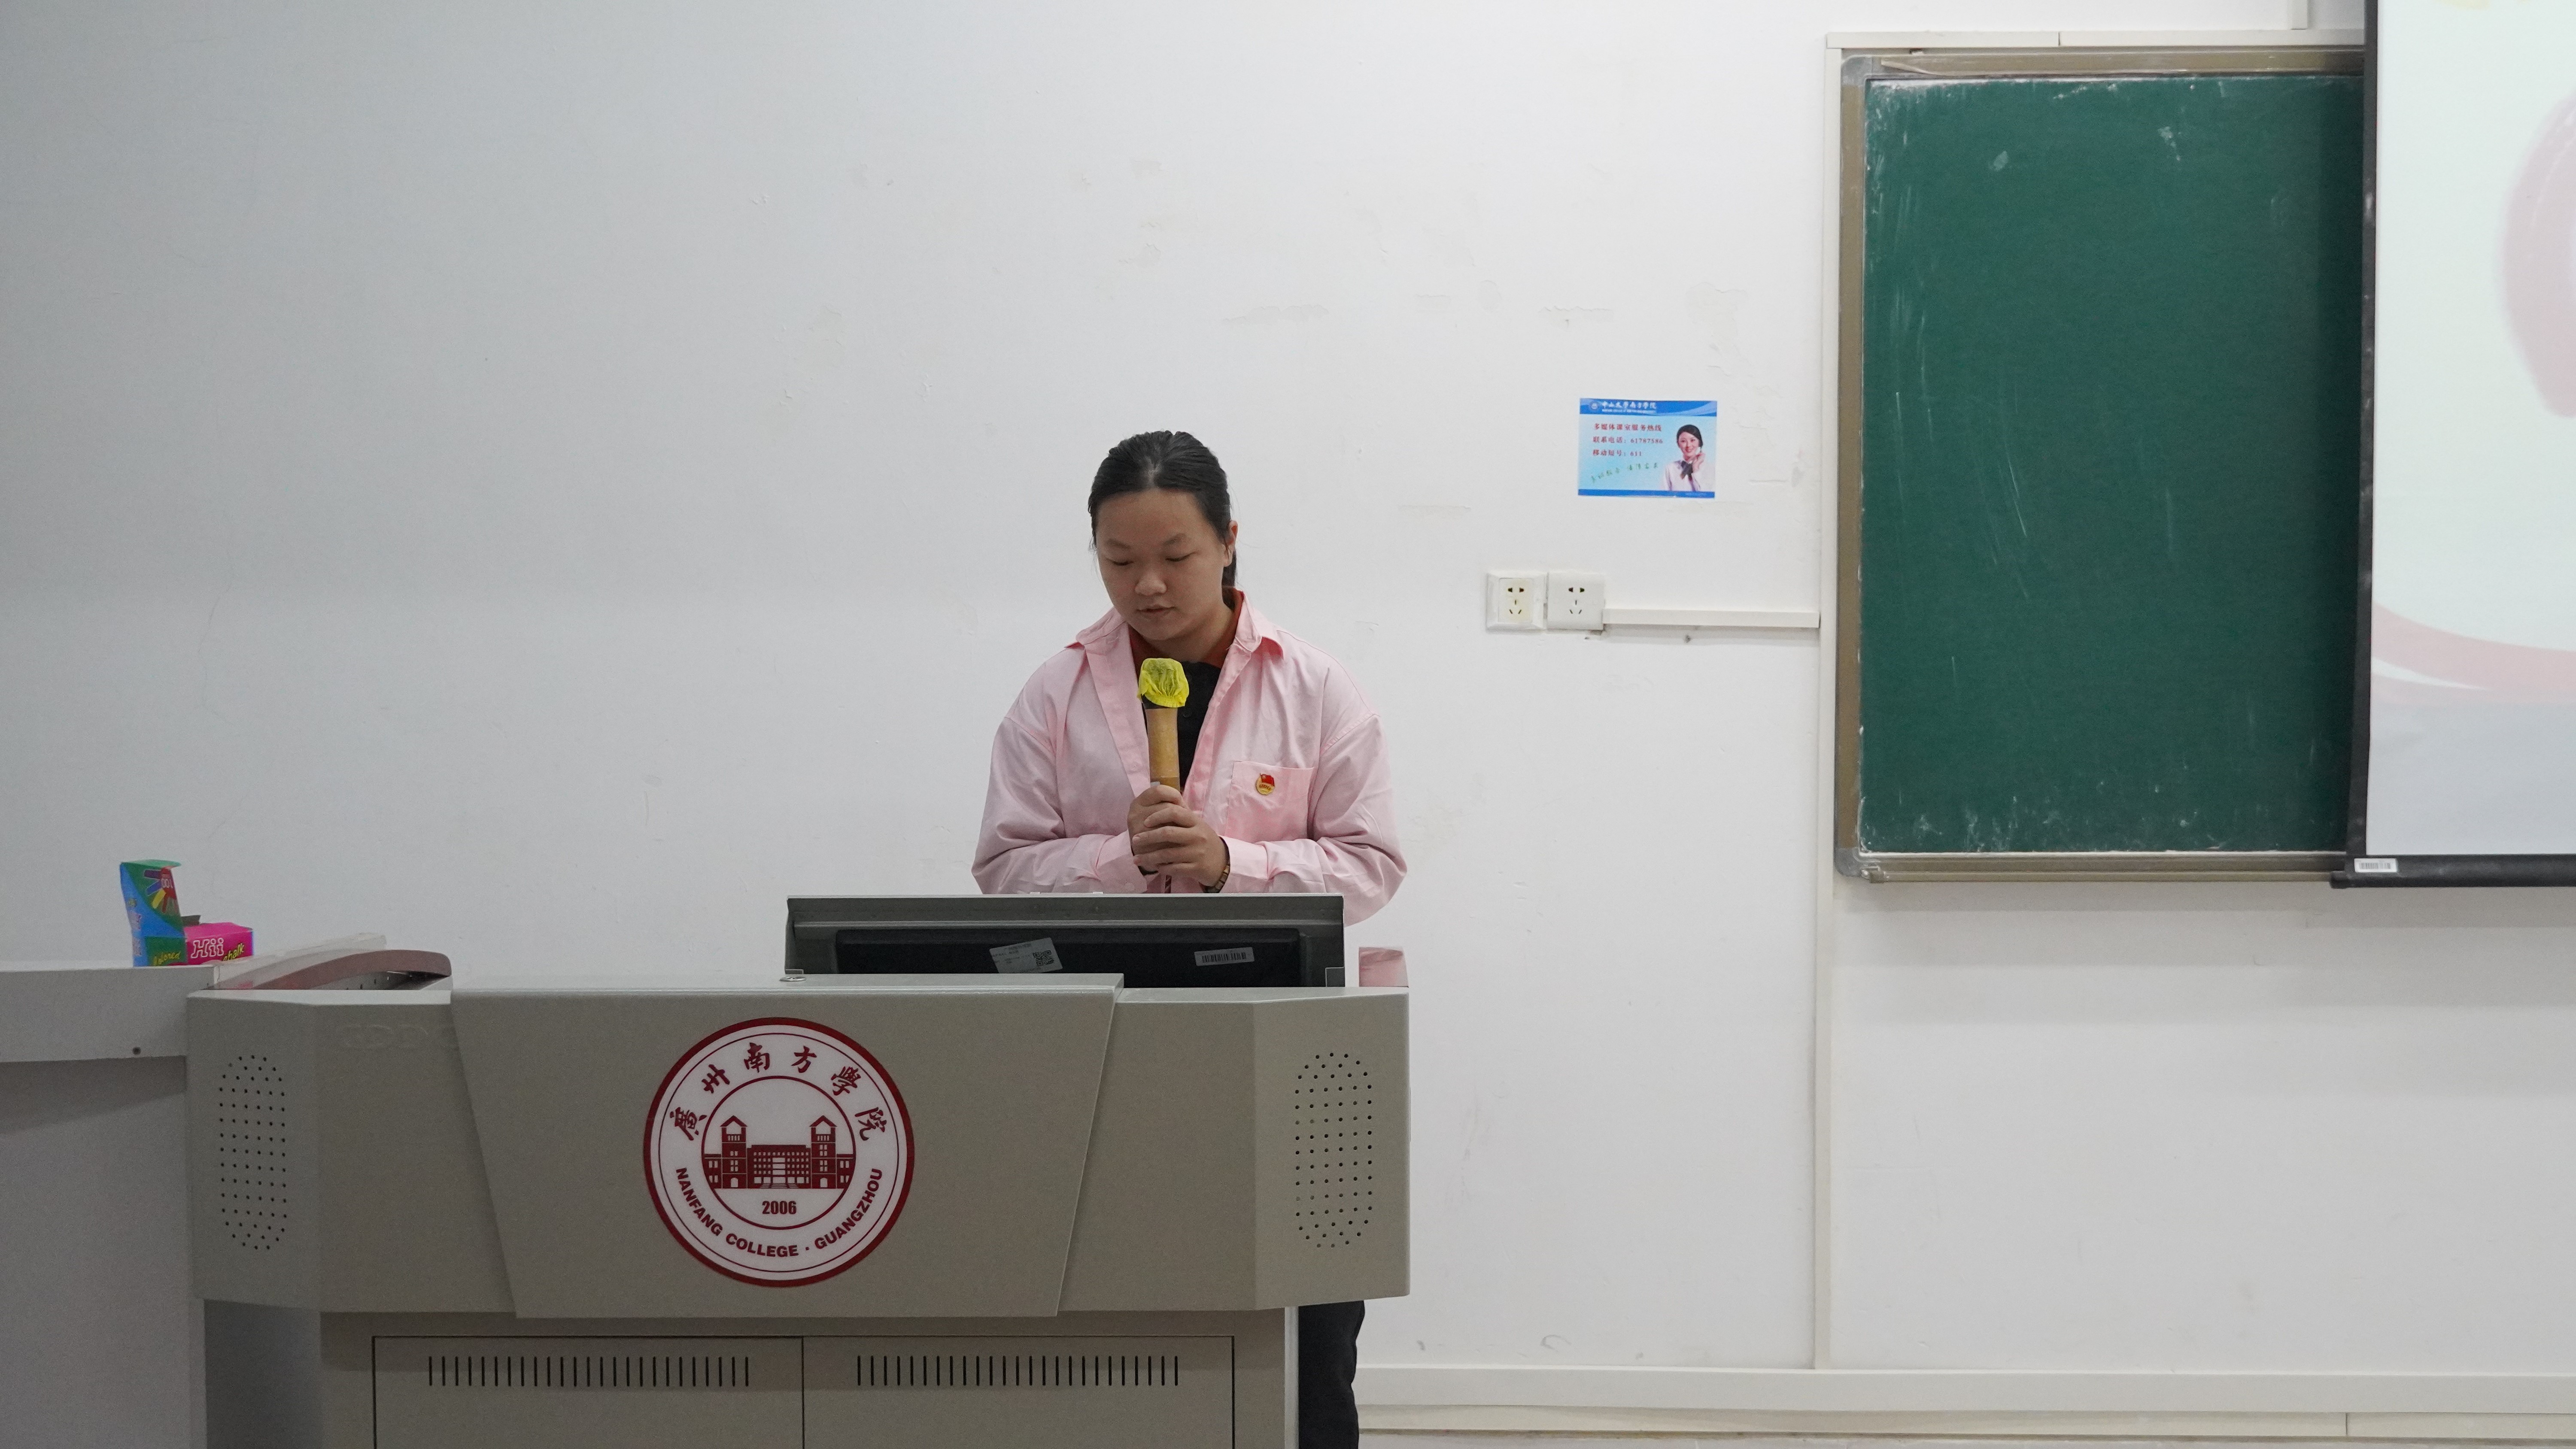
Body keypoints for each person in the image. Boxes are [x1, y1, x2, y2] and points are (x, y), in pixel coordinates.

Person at [973, 428, 1403, 1449]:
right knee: (1122, 1302)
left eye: (1175, 555)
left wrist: (1230, 863)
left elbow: (1371, 864)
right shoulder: (1055, 692)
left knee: (1307, 1324)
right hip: (1105, 1044)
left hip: (1283, 1049)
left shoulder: (1315, 688)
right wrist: (1115, 857)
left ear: (1230, 541)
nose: (1149, 586)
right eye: (1119, 560)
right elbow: (1003, 867)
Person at [1661, 422, 1708, 492]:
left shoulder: (1709, 468)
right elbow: (1664, 495)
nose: (1688, 445)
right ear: (1678, 444)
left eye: (1693, 440)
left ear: (1700, 442)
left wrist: (1696, 468)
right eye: (1683, 441)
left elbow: (1704, 494)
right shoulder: (1671, 468)